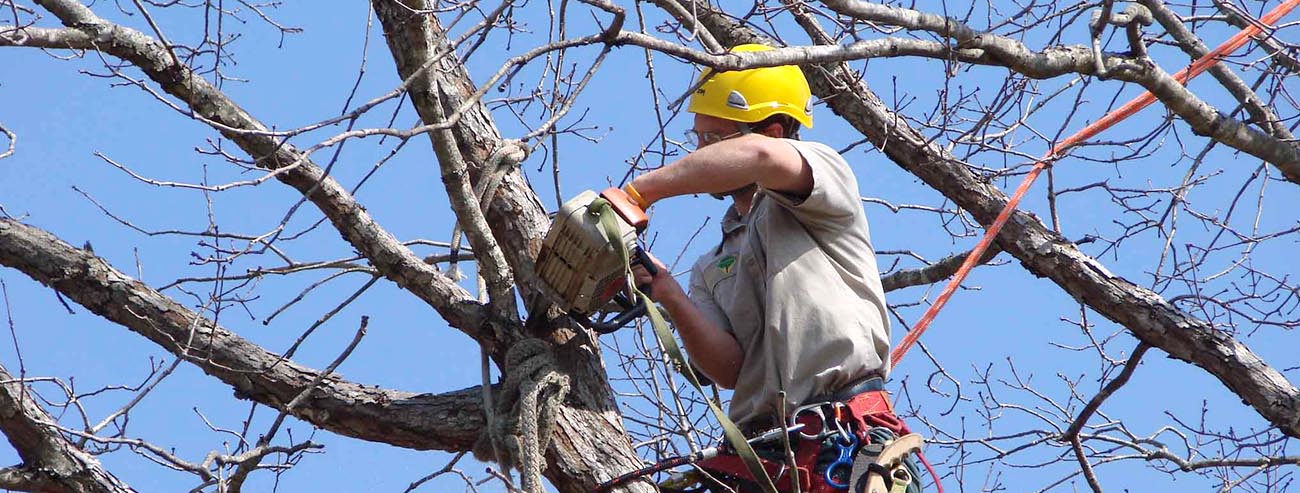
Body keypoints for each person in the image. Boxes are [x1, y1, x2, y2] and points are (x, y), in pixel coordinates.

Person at [626, 43, 891, 432]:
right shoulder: (711, 267)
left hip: (843, 427)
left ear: (773, 132)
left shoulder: (823, 179)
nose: (699, 152)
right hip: (763, 450)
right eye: (697, 137)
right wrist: (668, 293)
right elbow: (729, 370)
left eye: (714, 140)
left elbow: (763, 158)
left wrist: (638, 193)